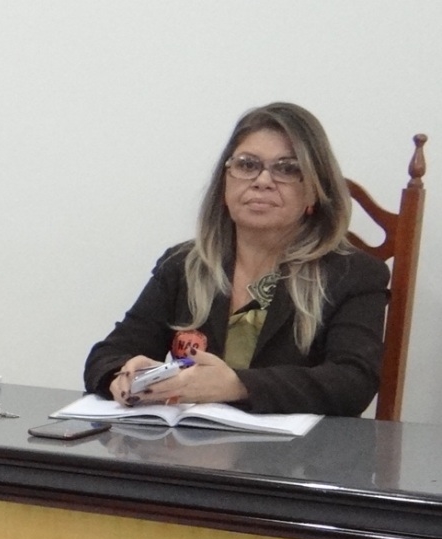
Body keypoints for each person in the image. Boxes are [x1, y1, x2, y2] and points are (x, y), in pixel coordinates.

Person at [84, 103, 389, 416]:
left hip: (298, 447)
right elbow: (109, 354)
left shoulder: (355, 274)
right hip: (189, 442)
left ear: (314, 191)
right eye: (247, 164)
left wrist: (238, 386)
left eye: (287, 169)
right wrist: (123, 377)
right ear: (224, 183)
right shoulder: (184, 264)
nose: (262, 180)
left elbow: (354, 381)